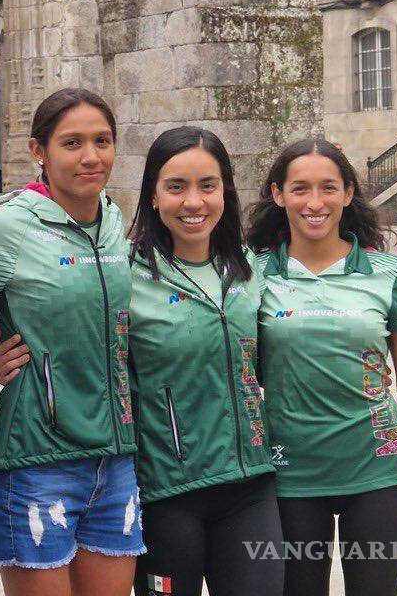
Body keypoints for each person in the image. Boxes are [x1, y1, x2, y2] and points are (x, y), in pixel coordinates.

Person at [247, 138, 397, 596]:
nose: (315, 203)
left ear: (349, 193)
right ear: (278, 194)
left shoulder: (387, 272)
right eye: (300, 189)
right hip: (289, 472)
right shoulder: (251, 273)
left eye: (328, 188)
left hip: (376, 470)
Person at [0, 88, 141, 596]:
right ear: (38, 151)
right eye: (72, 143)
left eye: (103, 141)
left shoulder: (115, 222)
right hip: (37, 461)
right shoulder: (6, 225)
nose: (91, 157)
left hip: (116, 463)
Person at [125, 127, 282, 596]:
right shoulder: (125, 275)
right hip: (167, 492)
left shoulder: (251, 270)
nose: (193, 201)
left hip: (251, 485)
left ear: (225, 192)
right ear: (153, 196)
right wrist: (9, 347)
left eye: (207, 186)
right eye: (176, 187)